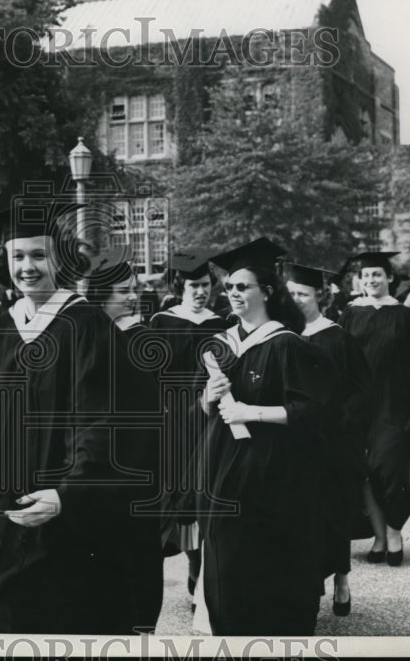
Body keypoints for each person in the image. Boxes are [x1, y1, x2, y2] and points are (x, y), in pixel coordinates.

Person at [0, 195, 139, 635]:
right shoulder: (5, 328)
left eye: (39, 255)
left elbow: (102, 421)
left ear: (60, 258)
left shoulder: (85, 325)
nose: (27, 266)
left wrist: (68, 493)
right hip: (8, 511)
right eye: (17, 256)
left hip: (66, 513)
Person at [197, 237, 333, 636]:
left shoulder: (287, 346)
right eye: (230, 287)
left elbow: (312, 411)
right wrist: (209, 397)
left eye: (243, 287)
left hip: (275, 474)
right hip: (224, 469)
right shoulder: (221, 345)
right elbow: (203, 410)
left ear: (267, 292)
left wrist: (249, 412)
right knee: (226, 571)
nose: (234, 293)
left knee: (271, 570)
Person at [338, 252, 410, 566]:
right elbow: (340, 360)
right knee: (363, 474)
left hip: (392, 407)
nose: (371, 280)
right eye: (367, 275)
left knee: (391, 470)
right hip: (356, 408)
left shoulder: (405, 316)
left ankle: (395, 530)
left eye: (378, 275)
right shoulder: (350, 313)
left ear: (389, 279)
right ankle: (379, 536)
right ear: (360, 279)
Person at [284, 262, 373, 618]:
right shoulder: (280, 335)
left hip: (332, 445)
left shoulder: (337, 337)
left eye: (302, 294)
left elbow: (361, 392)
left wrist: (336, 426)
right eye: (290, 294)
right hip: (291, 444)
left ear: (318, 295)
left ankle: (341, 579)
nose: (296, 300)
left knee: (333, 515)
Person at [85, 246, 165, 633]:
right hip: (100, 471)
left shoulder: (138, 337)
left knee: (139, 562)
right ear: (101, 296)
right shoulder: (87, 338)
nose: (132, 297)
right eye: (122, 291)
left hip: (136, 470)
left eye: (132, 289)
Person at [148, 247, 229, 601]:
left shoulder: (221, 325)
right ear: (180, 286)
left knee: (202, 491)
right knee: (172, 495)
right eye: (194, 285)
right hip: (169, 418)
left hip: (206, 417)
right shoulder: (162, 322)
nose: (200, 292)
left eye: (206, 286)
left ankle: (198, 567)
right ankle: (172, 565)